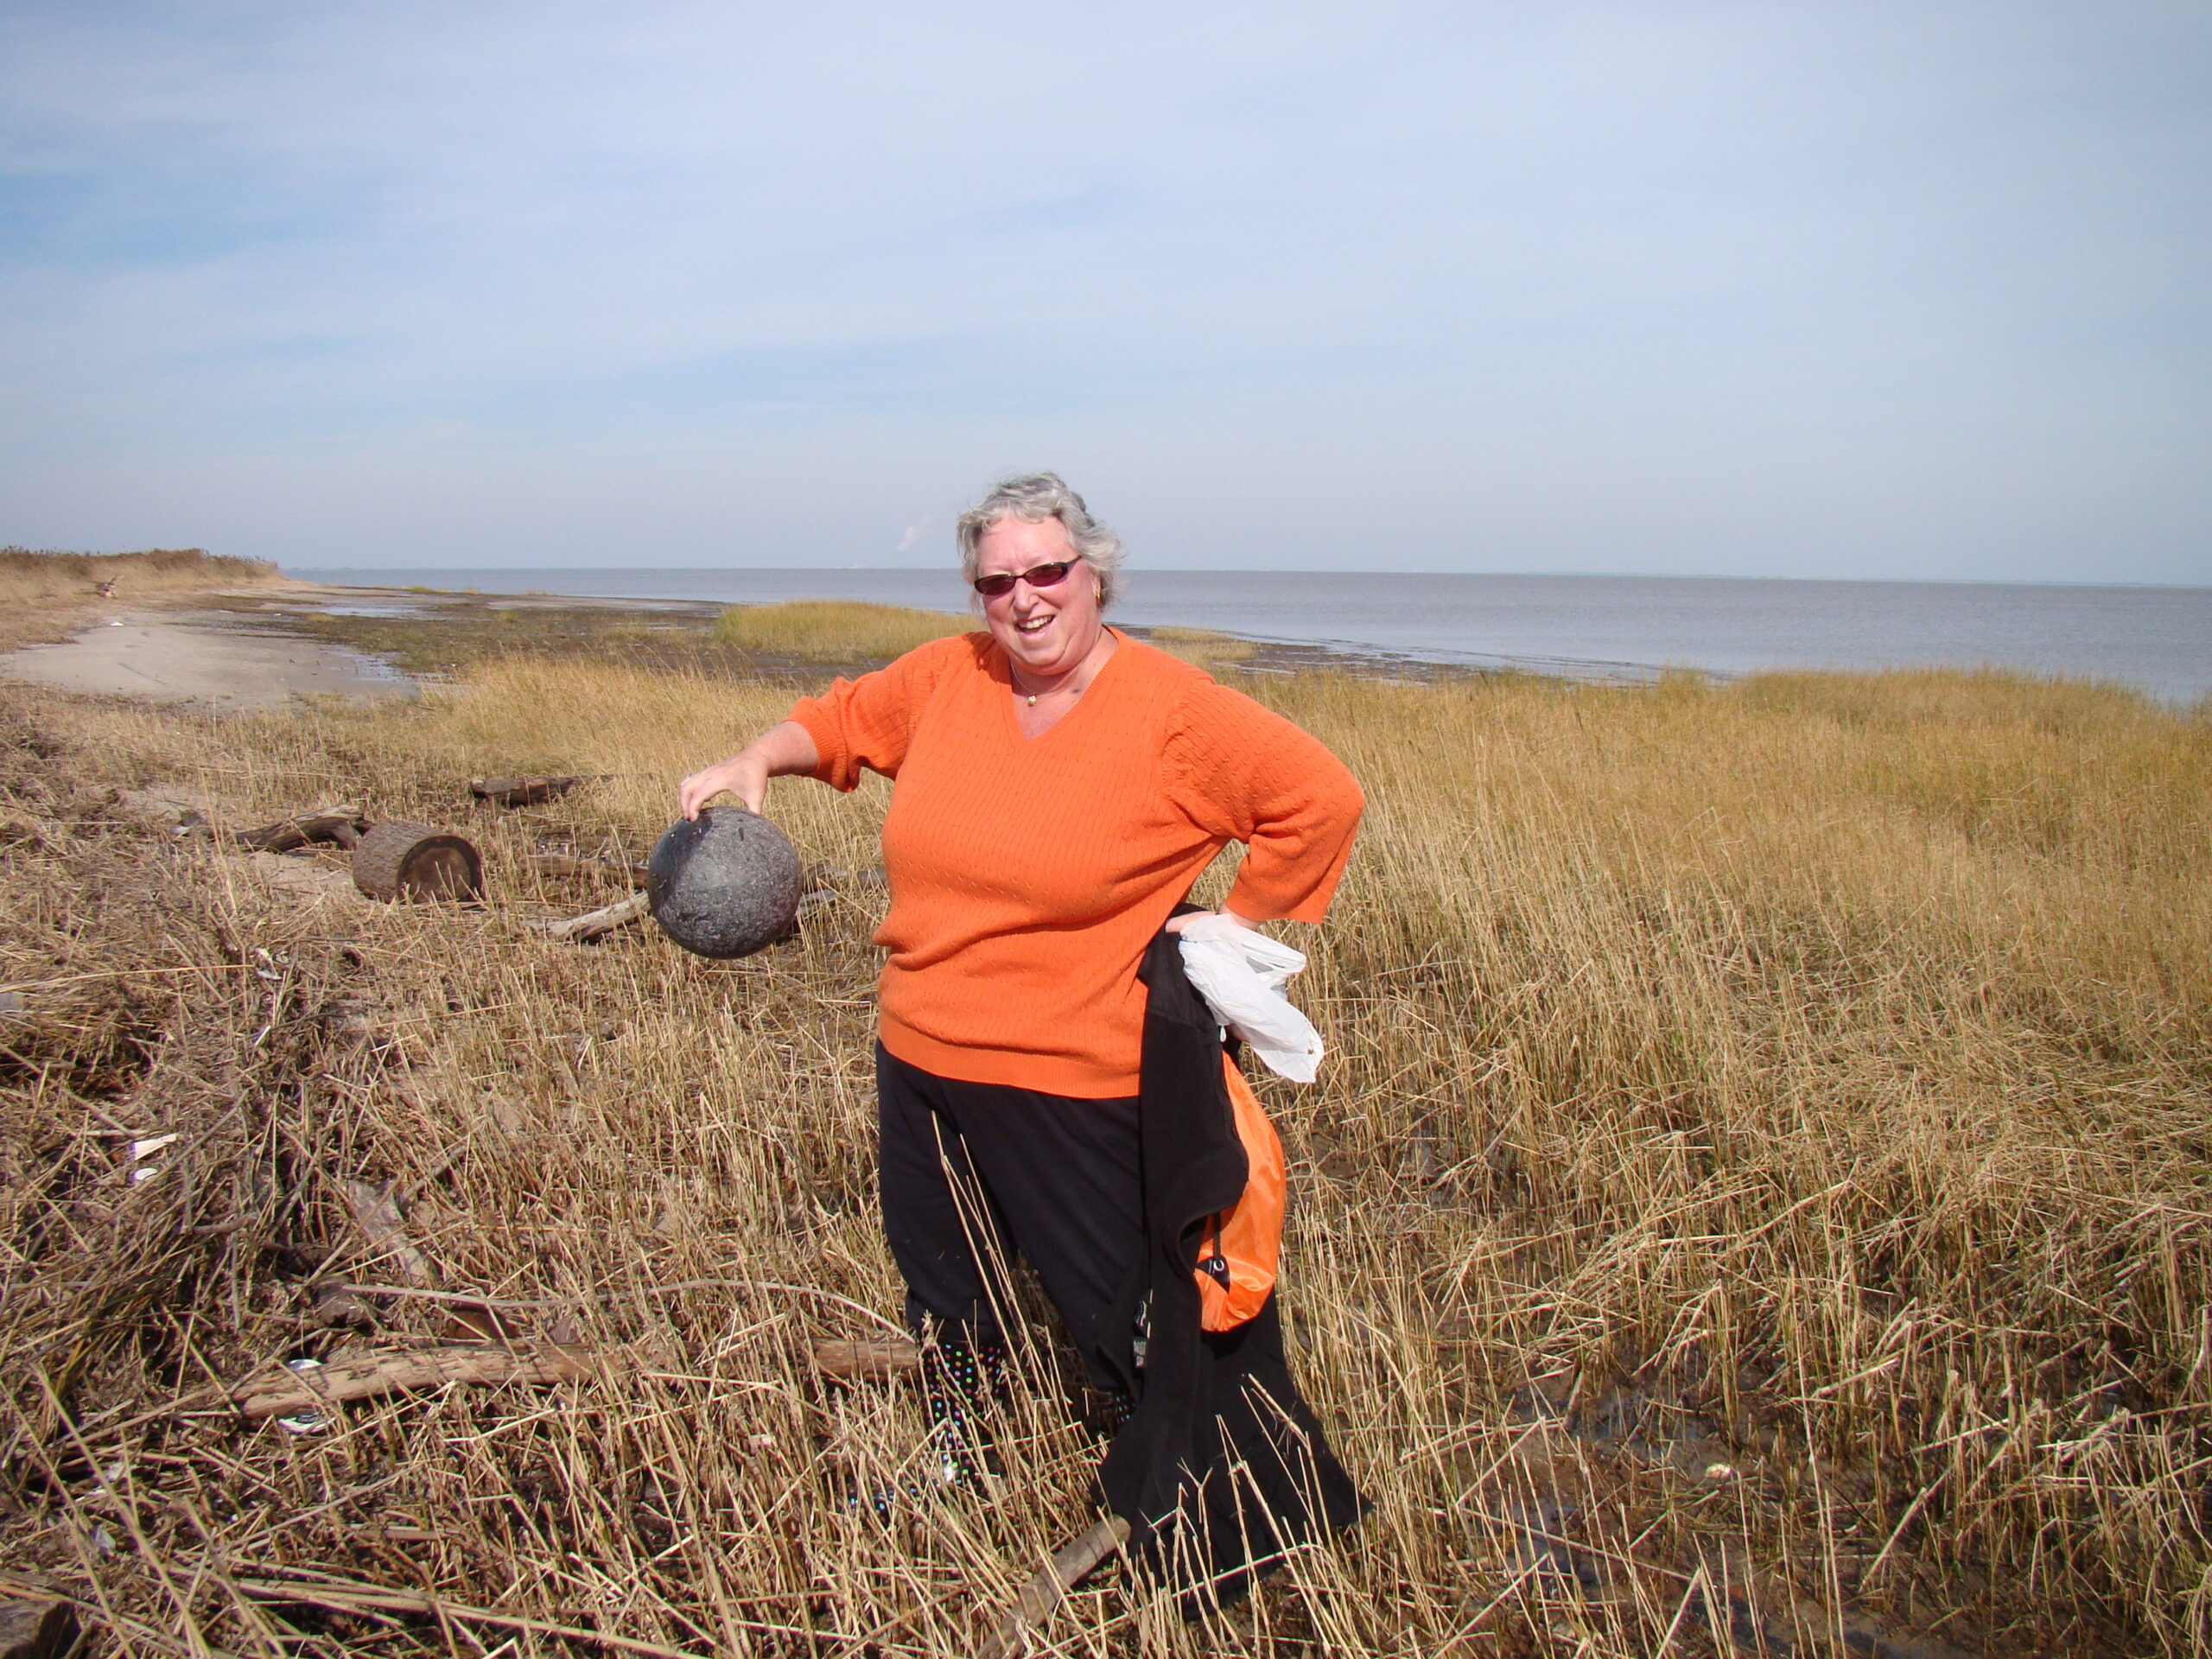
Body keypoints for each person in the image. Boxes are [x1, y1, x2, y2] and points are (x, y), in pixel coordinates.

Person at [677, 474, 1364, 1596]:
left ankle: (1190, 1499)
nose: (1025, 599)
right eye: (998, 579)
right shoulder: (952, 677)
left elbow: (1319, 797)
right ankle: (962, 1452)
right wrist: (758, 758)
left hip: (1075, 1076)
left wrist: (1227, 926)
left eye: (1048, 572)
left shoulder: (1172, 709)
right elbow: (842, 720)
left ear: (1094, 573)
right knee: (944, 1284)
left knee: (1121, 1308)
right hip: (922, 1057)